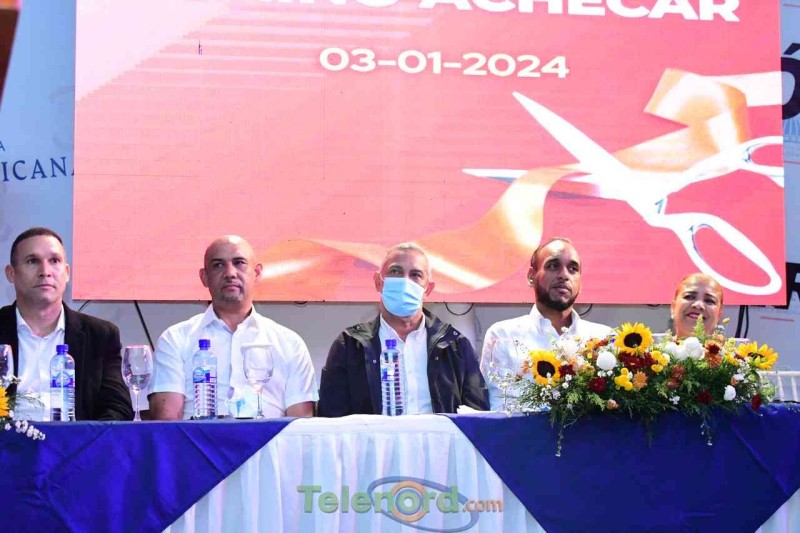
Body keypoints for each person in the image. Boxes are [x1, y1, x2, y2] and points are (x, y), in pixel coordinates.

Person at [149, 235, 316, 419]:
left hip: (268, 438)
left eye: (239, 263)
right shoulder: (176, 339)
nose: (230, 273)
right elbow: (167, 423)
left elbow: (301, 426)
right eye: (218, 265)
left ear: (257, 273)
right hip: (198, 437)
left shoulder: (290, 343)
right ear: (204, 278)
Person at [317, 242, 488, 416]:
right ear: (378, 282)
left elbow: (479, 417)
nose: (405, 281)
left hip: (436, 434)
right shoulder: (350, 345)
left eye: (415, 275)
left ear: (428, 289)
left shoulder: (455, 346)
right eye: (395, 272)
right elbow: (331, 419)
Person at [0, 227, 132, 420]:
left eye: (54, 261)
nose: (45, 272)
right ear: (11, 273)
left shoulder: (100, 335)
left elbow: (118, 409)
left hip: (77, 439)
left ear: (67, 272)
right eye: (32, 261)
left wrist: (82, 439)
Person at [480, 237, 611, 410]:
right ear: (531, 276)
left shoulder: (603, 338)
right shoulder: (503, 336)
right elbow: (497, 409)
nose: (564, 275)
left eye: (573, 269)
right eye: (553, 266)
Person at [670, 273, 724, 339]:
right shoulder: (657, 345)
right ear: (673, 308)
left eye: (709, 300)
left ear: (719, 315)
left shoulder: (732, 346)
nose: (698, 305)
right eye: (689, 297)